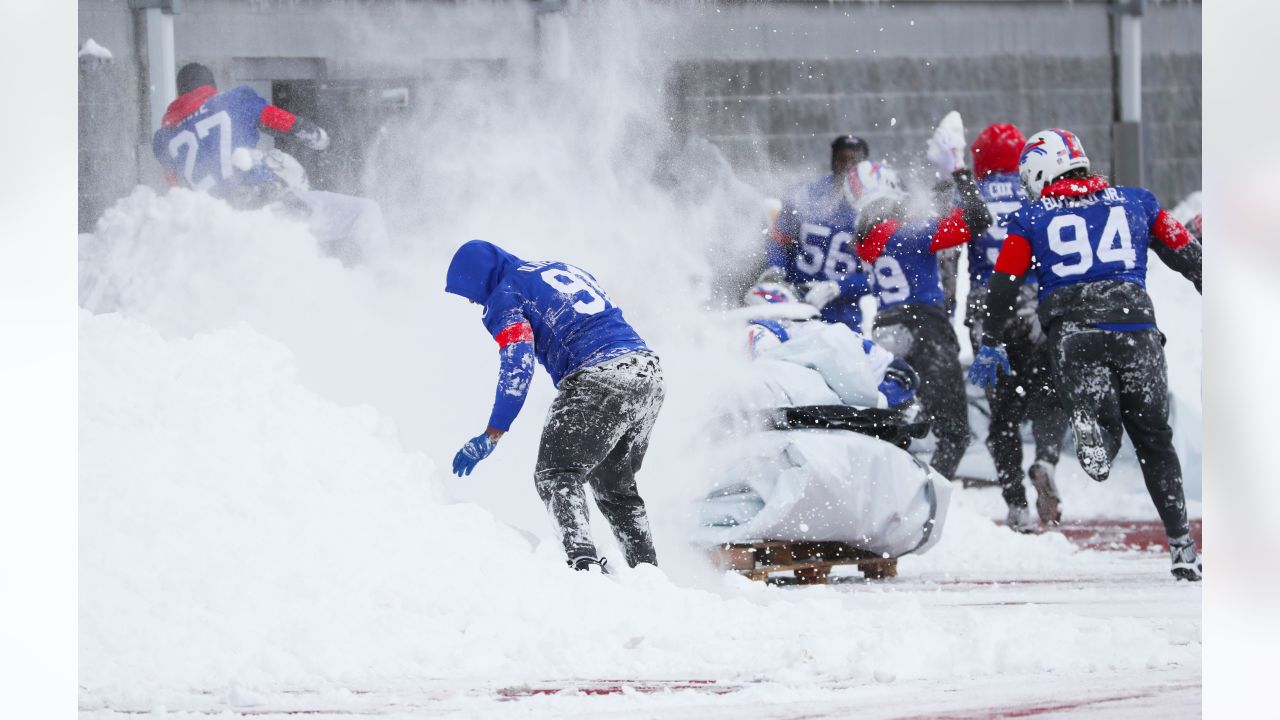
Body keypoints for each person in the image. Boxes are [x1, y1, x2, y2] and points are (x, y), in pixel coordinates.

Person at [967, 128, 1204, 580]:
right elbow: (1186, 254)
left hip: (1074, 334)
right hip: (1136, 328)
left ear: (1039, 169)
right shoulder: (1139, 202)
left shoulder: (1031, 216)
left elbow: (1004, 284)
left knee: (1094, 416)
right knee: (1155, 439)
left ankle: (1099, 434)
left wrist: (993, 338)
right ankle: (1181, 548)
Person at [445, 240, 664, 574]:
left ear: (480, 277)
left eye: (469, 292)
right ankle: (648, 575)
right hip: (647, 372)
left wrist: (492, 433)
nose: (474, 300)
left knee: (556, 473)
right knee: (614, 485)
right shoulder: (557, 268)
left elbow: (517, 366)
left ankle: (582, 566)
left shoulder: (505, 296)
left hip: (599, 376)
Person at [849, 116, 991, 482]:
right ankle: (926, 497)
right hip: (925, 326)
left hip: (885, 330)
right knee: (954, 433)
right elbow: (978, 219)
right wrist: (959, 170)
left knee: (891, 427)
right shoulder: (908, 232)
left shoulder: (866, 240)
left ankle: (894, 484)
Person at [152, 62, 387, 265]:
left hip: (219, 230)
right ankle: (384, 282)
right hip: (266, 207)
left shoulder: (164, 139)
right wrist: (319, 137)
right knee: (366, 212)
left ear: (180, 92)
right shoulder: (234, 101)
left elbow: (176, 190)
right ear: (211, 87)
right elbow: (282, 122)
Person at [957, 122, 1070, 532]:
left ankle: (1016, 504)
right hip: (1034, 301)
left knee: (1002, 415)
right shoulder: (1035, 192)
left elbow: (951, 249)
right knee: (1049, 397)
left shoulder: (971, 195)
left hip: (989, 306)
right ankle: (1046, 457)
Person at [761, 135, 876, 332]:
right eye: (842, 159)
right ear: (832, 161)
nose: (847, 167)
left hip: (843, 316)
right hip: (795, 303)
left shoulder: (872, 209)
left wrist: (839, 287)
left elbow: (877, 275)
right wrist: (776, 269)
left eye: (854, 161)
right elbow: (778, 240)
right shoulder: (806, 194)